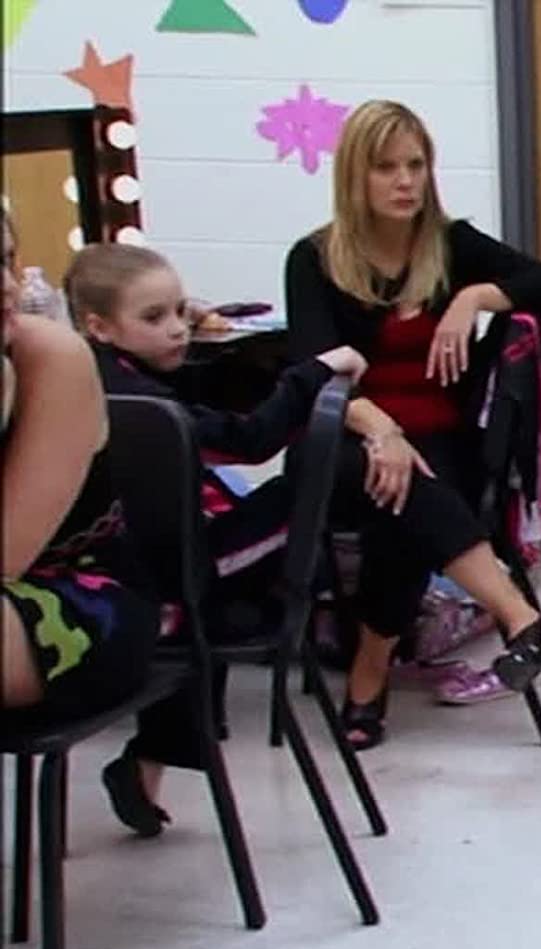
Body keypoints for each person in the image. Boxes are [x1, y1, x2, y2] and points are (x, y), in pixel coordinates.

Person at [284, 99, 541, 748]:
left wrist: (475, 296)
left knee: (406, 502)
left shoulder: (450, 245)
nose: (405, 182)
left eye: (416, 165)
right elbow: (314, 366)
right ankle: (519, 617)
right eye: (386, 167)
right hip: (345, 433)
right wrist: (382, 432)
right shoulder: (313, 258)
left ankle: (369, 677)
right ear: (354, 175)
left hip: (442, 438)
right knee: (398, 485)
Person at [64, 241, 367, 833]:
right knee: (320, 494)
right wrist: (313, 373)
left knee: (238, 581)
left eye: (182, 310)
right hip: (163, 578)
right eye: (155, 317)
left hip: (149, 564)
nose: (178, 329)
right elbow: (249, 440)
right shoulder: (138, 403)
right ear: (99, 327)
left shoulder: (104, 372)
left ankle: (146, 766)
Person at [2, 209, 158, 733]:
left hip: (80, 596)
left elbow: (6, 555)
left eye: (7, 261)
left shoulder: (49, 355)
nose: (8, 287)